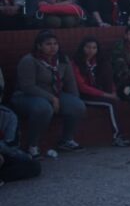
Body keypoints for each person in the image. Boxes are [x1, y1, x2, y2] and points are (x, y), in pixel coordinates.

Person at [12, 30, 87, 158]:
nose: (53, 47)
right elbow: (27, 86)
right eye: (48, 44)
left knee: (77, 106)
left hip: (55, 94)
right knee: (44, 108)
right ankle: (32, 146)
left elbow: (70, 82)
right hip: (27, 96)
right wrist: (51, 98)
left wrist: (75, 99)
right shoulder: (30, 60)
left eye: (55, 44)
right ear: (39, 46)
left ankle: (66, 140)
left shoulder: (63, 59)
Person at [71, 37, 130, 147]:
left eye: (94, 48)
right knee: (110, 104)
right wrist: (106, 95)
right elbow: (82, 87)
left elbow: (109, 79)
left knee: (120, 97)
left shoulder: (100, 62)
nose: (91, 50)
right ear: (82, 48)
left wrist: (112, 92)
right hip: (84, 95)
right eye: (88, 47)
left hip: (99, 93)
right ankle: (117, 137)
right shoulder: (76, 63)